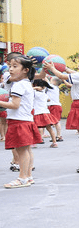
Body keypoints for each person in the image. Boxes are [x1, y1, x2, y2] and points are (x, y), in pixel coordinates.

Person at [1, 55, 40, 188]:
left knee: (21, 151)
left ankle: (22, 178)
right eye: (10, 66)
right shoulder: (27, 83)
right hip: (25, 120)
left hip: (19, 121)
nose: (11, 69)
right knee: (26, 150)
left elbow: (15, 105)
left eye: (15, 66)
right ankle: (28, 176)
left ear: (25, 70)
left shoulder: (18, 85)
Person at [32, 79, 58, 146]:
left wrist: (35, 88)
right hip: (46, 113)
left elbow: (28, 90)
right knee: (49, 129)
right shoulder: (44, 94)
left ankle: (35, 143)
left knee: (35, 128)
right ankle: (54, 142)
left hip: (38, 113)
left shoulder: (34, 93)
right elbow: (48, 100)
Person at [45, 75, 64, 142]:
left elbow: (46, 81)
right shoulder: (54, 88)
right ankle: (57, 136)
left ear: (54, 82)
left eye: (51, 80)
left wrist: (44, 75)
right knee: (54, 121)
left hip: (54, 106)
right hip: (53, 106)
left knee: (56, 121)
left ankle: (59, 136)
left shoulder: (52, 87)